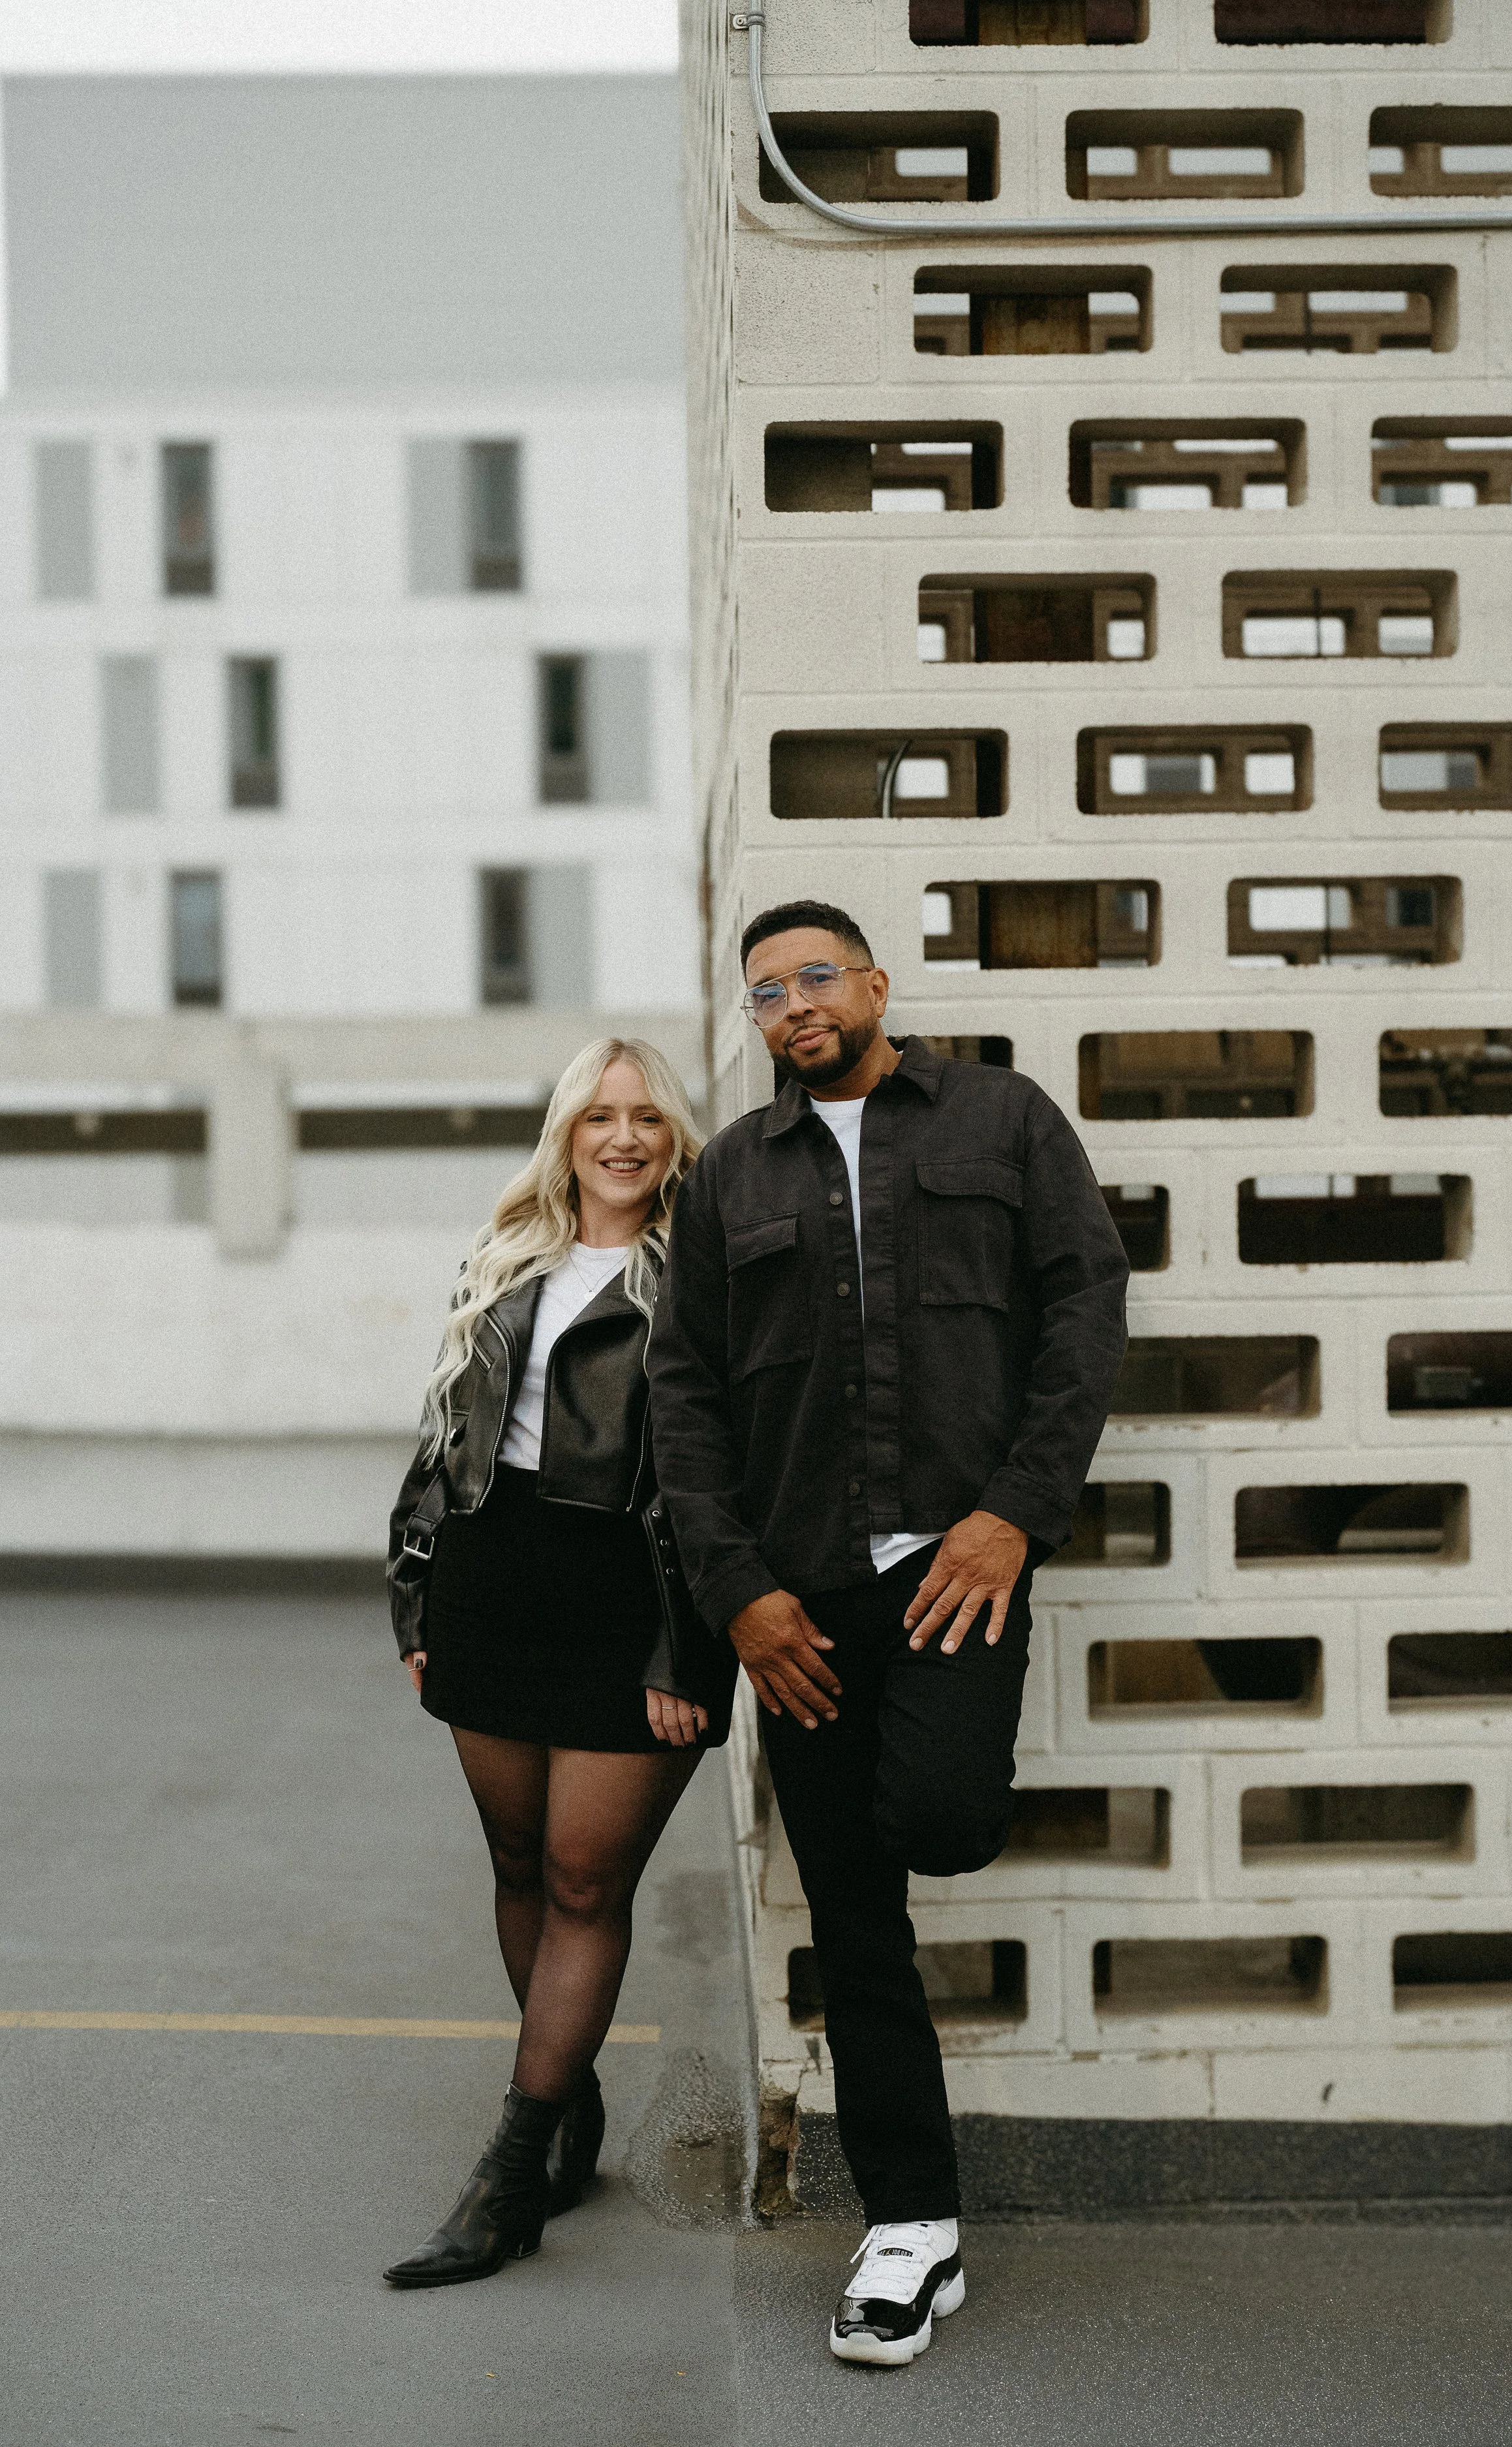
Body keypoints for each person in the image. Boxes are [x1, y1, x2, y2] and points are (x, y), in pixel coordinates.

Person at [647, 902, 1128, 2365]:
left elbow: (1085, 1304)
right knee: (855, 1923)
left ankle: (913, 2210)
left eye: (810, 978)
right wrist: (737, 1596)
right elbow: (685, 1395)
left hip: (952, 1570)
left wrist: (1014, 1514)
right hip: (795, 1604)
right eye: (761, 995)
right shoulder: (733, 1174)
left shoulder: (999, 1118)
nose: (789, 1006)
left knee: (940, 1815)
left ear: (868, 983)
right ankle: (910, 2229)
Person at [383, 1036, 733, 2289]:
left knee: (588, 1881)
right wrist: (415, 1596)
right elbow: (442, 1443)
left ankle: (510, 2169)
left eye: (648, 1116)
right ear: (567, 1133)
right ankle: (570, 2101)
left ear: (675, 1137)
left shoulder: (704, 1270)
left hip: (627, 1600)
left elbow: (712, 1480)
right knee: (521, 1863)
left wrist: (688, 1642)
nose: (625, 1136)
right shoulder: (505, 1256)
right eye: (601, 1115)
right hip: (492, 1583)